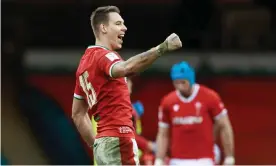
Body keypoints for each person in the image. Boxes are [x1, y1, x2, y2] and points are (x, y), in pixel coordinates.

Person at [71, 5, 182, 165]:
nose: (124, 27)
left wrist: (95, 144)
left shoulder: (83, 65)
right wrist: (162, 48)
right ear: (103, 28)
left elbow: (77, 114)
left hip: (104, 142)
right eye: (118, 23)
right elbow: (127, 68)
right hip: (118, 138)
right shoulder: (104, 56)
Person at [154, 61, 235, 165]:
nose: (180, 86)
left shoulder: (210, 97)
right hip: (177, 161)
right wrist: (159, 159)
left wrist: (229, 157)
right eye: (176, 82)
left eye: (183, 82)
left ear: (191, 79)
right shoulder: (167, 101)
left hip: (204, 160)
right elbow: (163, 133)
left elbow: (224, 125)